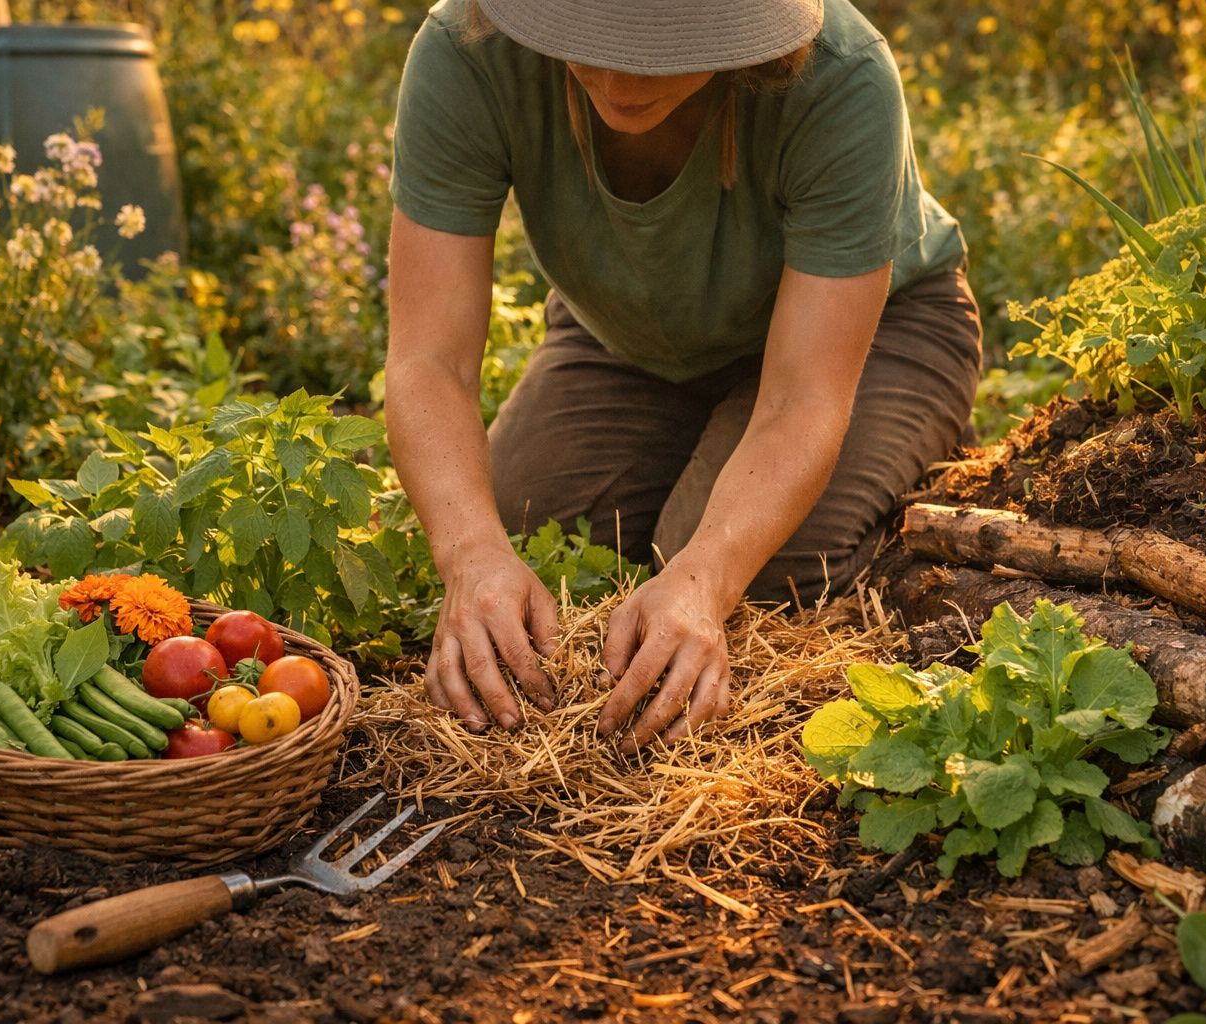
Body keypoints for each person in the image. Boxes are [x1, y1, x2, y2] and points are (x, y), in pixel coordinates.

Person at [384, 0, 981, 751]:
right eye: (586, 41)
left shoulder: (843, 78)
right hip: (630, 340)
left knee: (763, 575)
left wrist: (703, 581)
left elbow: (802, 397)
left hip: (873, 336)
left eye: (659, 51)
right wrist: (471, 557)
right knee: (526, 530)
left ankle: (911, 446)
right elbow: (429, 361)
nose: (617, 81)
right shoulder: (467, 52)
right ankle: (704, 452)